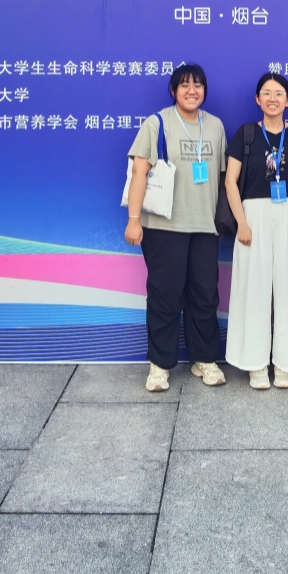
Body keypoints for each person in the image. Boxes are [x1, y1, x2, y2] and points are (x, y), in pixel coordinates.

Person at [125, 64, 228, 392]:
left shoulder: (215, 126)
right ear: (173, 91)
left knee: (204, 295)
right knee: (165, 295)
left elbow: (223, 177)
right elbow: (139, 172)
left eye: (198, 85)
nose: (192, 91)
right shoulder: (157, 123)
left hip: (204, 226)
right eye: (184, 85)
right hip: (163, 227)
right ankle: (159, 365)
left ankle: (204, 359)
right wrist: (134, 219)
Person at [223, 72, 288, 389]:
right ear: (257, 99)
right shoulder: (246, 133)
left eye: (278, 93)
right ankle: (256, 363)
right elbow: (230, 182)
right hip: (254, 213)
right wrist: (241, 222)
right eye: (266, 92)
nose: (272, 98)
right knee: (253, 288)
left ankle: (287, 362)